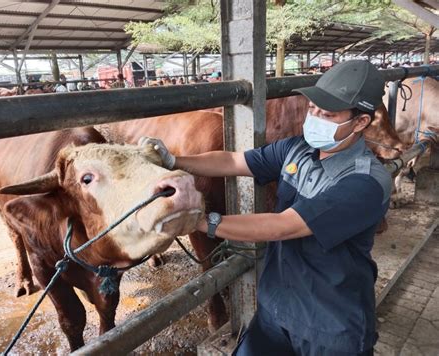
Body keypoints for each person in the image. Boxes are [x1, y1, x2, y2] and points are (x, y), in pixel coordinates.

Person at [139, 60, 391, 356]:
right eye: (313, 109)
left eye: (328, 114)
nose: (316, 118)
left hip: (330, 324)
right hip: (276, 308)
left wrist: (199, 222)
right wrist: (175, 161)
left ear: (360, 122)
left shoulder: (367, 182)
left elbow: (284, 225)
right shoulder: (297, 148)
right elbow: (234, 161)